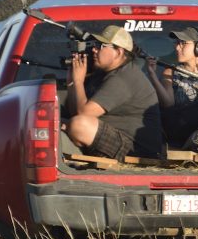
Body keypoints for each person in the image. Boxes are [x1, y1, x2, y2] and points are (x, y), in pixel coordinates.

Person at [63, 24, 164, 161]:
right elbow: (74, 111)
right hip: (116, 137)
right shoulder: (103, 74)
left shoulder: (124, 78)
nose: (94, 49)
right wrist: (72, 83)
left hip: (136, 150)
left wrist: (79, 82)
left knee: (79, 125)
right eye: (95, 45)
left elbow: (83, 114)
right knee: (58, 123)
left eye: (101, 45)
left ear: (119, 52)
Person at [144, 26, 198, 150]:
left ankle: (193, 146)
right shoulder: (170, 72)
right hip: (181, 129)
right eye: (177, 43)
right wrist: (152, 75)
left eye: (183, 43)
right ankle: (183, 150)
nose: (177, 47)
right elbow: (168, 103)